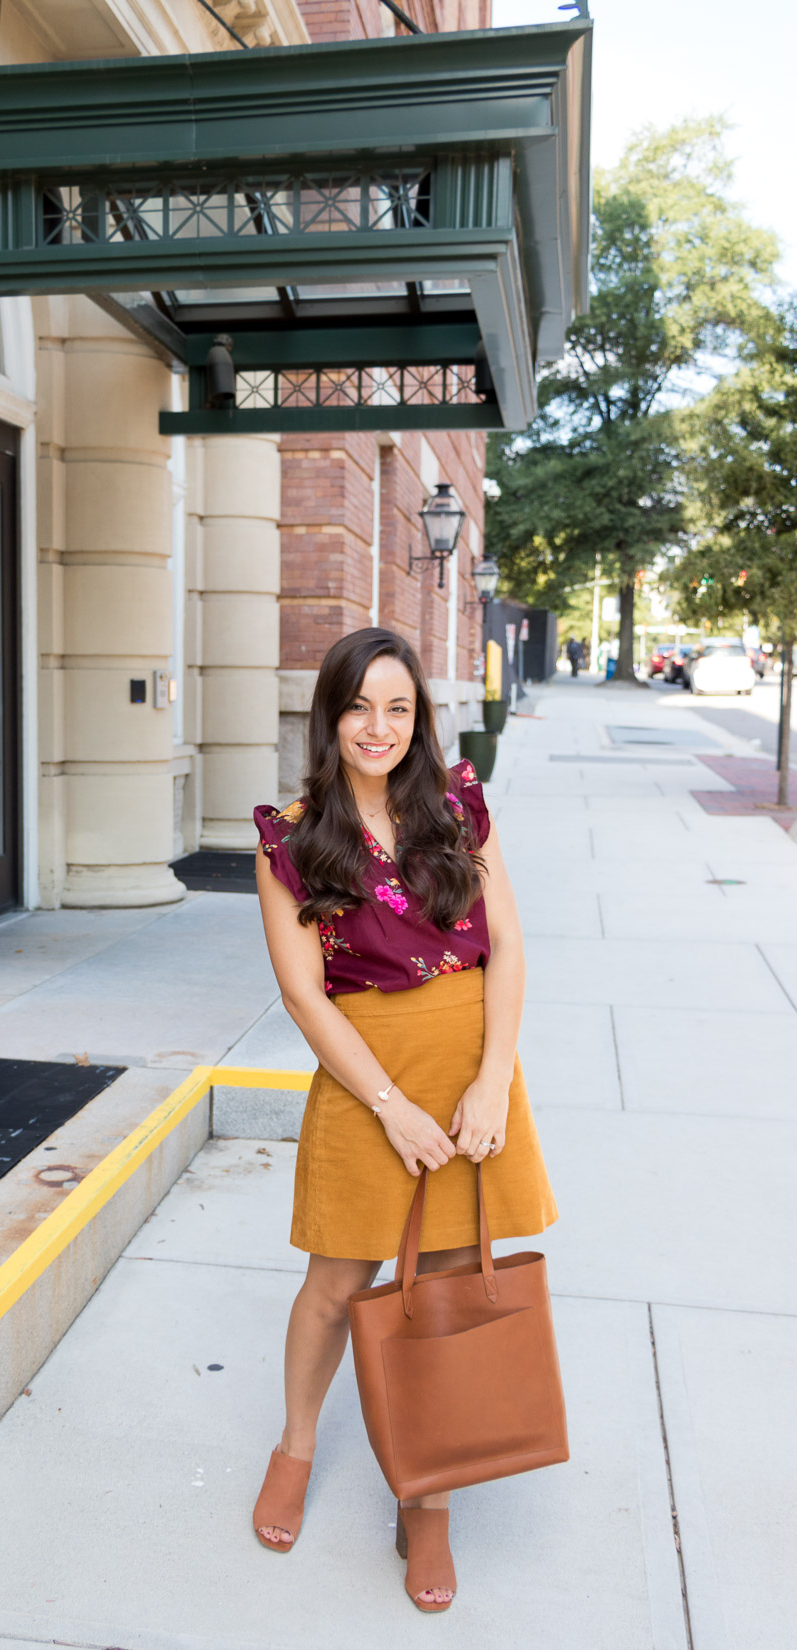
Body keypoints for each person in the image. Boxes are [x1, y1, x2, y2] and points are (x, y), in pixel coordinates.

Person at [251, 627, 557, 1612]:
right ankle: (296, 1447)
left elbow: (505, 947)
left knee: (444, 1291)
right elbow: (305, 998)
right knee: (336, 1285)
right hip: (363, 1079)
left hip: (470, 1068)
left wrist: (490, 1077)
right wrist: (386, 1107)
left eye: (397, 708)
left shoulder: (458, 811)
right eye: (356, 707)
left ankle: (425, 1499)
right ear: (328, 716)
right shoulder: (293, 840)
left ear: (419, 719)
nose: (376, 727)